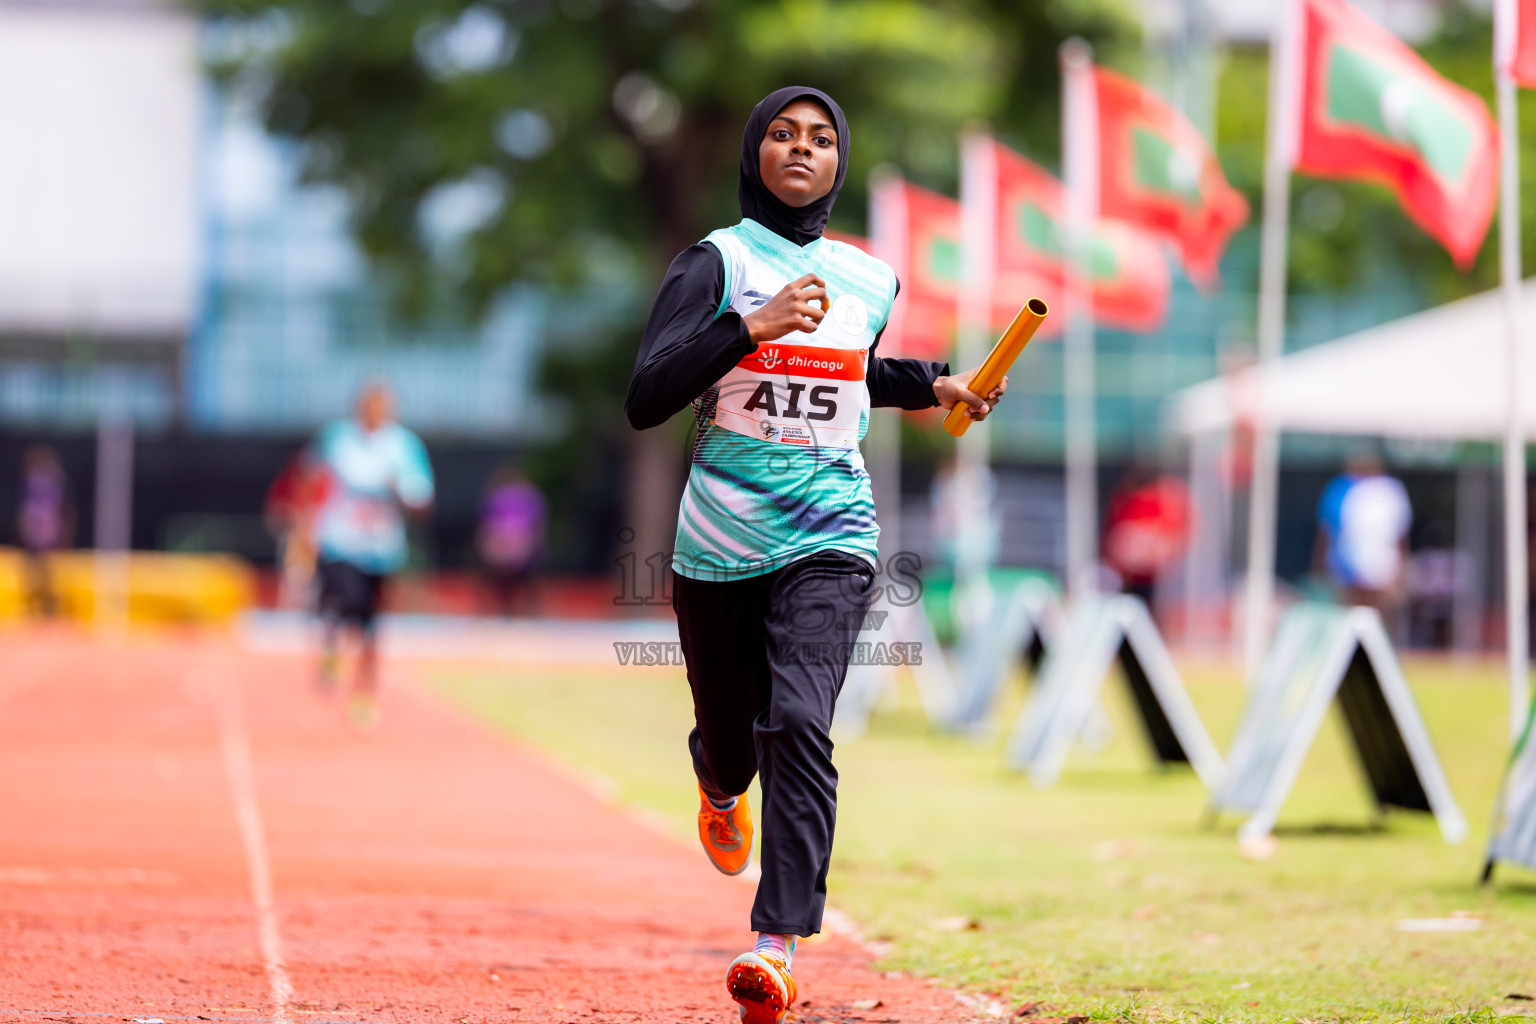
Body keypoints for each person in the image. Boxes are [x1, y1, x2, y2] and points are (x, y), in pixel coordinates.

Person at [625, 87, 1005, 1024]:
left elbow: (847, 374)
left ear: (840, 161)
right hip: (719, 541)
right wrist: (748, 327)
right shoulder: (715, 261)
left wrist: (933, 383)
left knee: (798, 719)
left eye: (822, 138)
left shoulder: (869, 279)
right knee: (733, 745)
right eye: (784, 134)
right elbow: (647, 395)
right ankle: (717, 780)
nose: (803, 148)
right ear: (754, 152)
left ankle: (776, 943)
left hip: (832, 530)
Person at [306, 381, 434, 728]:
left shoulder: (405, 445)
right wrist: (305, 523)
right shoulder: (337, 437)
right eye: (369, 405)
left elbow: (422, 500)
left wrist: (400, 490)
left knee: (372, 627)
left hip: (381, 549)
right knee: (340, 602)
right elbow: (310, 476)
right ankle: (331, 648)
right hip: (339, 541)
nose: (375, 411)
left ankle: (364, 693)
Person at [1315, 452, 1411, 612]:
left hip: (1380, 565)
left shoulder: (1390, 490)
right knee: (1352, 610)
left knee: (1377, 610)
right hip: (1347, 566)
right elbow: (1326, 532)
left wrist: (1400, 570)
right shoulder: (1341, 487)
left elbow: (1400, 535)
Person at [1102, 465, 1192, 607]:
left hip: (1158, 574)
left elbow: (1174, 533)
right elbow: (1116, 537)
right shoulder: (1125, 499)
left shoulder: (1161, 498)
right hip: (1130, 574)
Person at [476, 465, 546, 616]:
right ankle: (496, 610)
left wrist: (522, 552)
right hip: (499, 554)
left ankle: (525, 612)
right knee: (497, 575)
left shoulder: (530, 498)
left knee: (521, 577)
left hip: (525, 556)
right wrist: (496, 553)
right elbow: (486, 532)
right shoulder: (497, 499)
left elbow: (535, 532)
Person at [15, 445, 74, 617]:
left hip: (47, 526)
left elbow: (63, 508)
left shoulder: (54, 481)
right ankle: (38, 602)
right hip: (39, 526)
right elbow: (25, 509)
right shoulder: (34, 481)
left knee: (47, 565)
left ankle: (48, 603)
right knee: (36, 565)